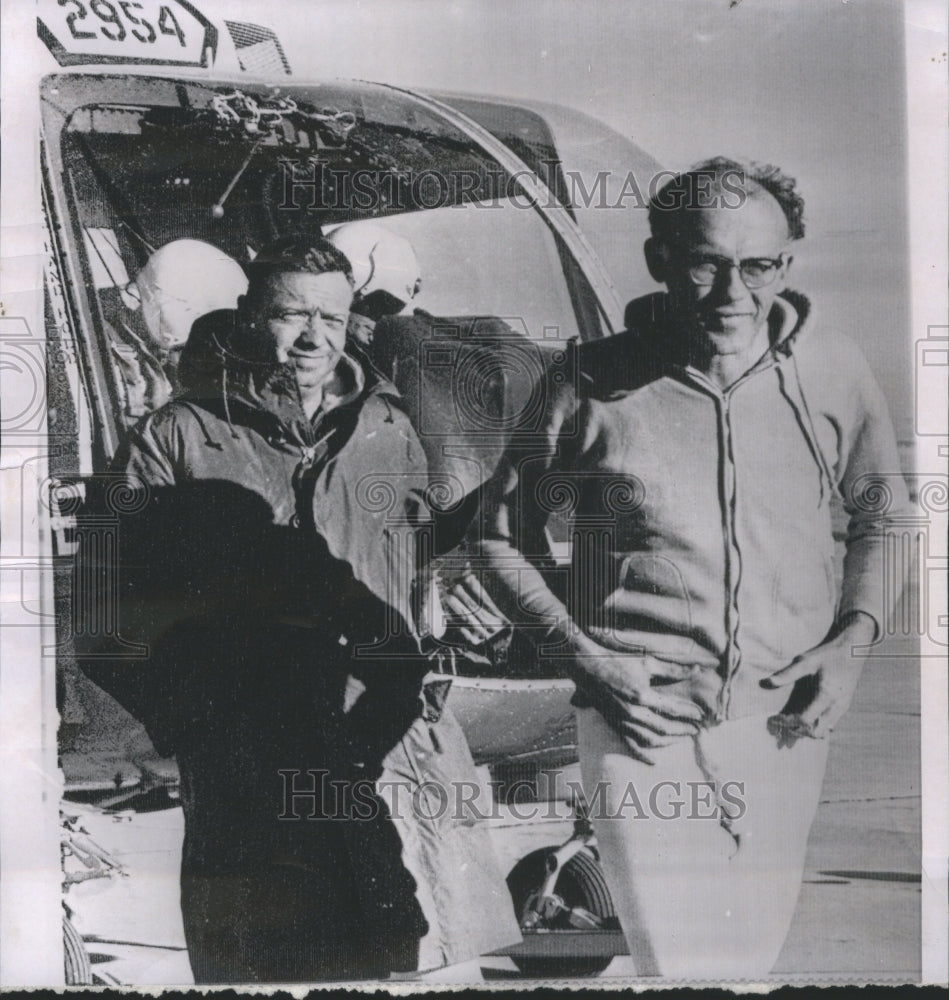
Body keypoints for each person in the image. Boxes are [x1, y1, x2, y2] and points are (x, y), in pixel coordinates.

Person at [475, 158, 910, 978]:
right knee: (679, 969)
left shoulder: (835, 370)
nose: (731, 293)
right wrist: (586, 659)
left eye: (758, 266)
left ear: (786, 264)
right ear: (658, 259)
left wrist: (850, 644)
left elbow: (884, 519)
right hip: (638, 721)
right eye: (705, 262)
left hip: (785, 722)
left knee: (746, 966)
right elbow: (497, 538)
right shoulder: (584, 385)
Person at [86, 236, 518, 983]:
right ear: (251, 317)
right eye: (290, 315)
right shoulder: (174, 438)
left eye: (332, 316)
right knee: (273, 962)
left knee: (427, 957)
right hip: (253, 773)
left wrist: (458, 602)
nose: (313, 337)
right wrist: (204, 726)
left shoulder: (390, 426)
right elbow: (104, 623)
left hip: (395, 750)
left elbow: (417, 561)